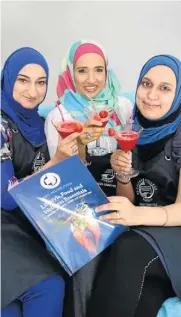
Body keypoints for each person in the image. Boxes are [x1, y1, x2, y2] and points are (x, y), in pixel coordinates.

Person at [86, 54, 181, 317]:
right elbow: (131, 201)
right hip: (148, 236)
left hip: (174, 233)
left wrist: (136, 215)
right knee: (142, 299)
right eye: (146, 84)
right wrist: (123, 177)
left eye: (164, 88)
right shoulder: (132, 128)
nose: (151, 95)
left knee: (127, 249)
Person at [1, 47, 81, 316]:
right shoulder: (1, 126)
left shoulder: (47, 123)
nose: (33, 92)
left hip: (31, 225)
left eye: (41, 82)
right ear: (8, 79)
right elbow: (6, 196)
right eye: (23, 80)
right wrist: (55, 161)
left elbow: (64, 181)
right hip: (4, 224)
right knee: (47, 286)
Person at [45, 39, 133, 197]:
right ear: (70, 74)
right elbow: (63, 181)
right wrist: (79, 143)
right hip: (80, 203)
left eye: (99, 70)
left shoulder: (123, 107)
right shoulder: (59, 117)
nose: (91, 80)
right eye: (82, 71)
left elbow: (129, 165)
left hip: (121, 200)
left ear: (107, 71)